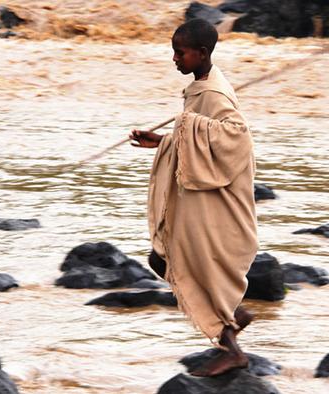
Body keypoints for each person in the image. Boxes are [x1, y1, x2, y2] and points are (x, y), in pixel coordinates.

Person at [128, 18, 258, 377]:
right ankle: (231, 318)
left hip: (217, 201)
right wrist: (165, 141)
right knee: (164, 258)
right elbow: (198, 140)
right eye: (173, 50)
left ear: (201, 53)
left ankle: (232, 347)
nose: (174, 58)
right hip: (200, 197)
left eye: (180, 52)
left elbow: (236, 137)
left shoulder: (213, 93)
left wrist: (186, 126)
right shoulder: (200, 86)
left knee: (183, 263)